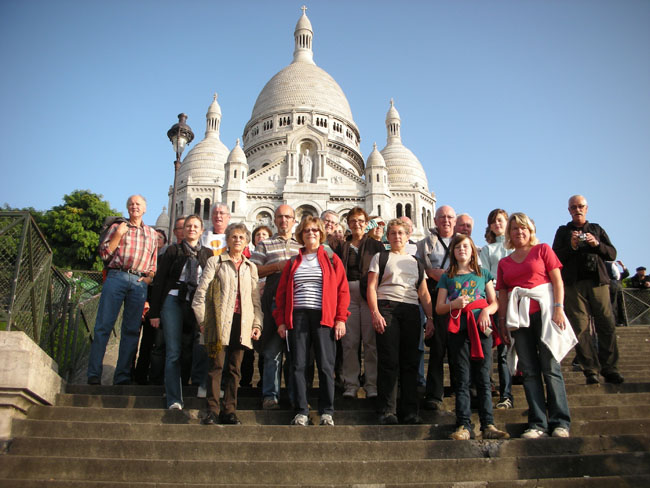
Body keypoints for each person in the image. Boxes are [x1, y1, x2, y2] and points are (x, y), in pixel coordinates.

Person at [497, 212, 575, 439]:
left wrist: (559, 307)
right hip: (519, 319)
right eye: (514, 229)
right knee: (529, 371)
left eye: (523, 228)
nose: (519, 232)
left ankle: (560, 421)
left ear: (530, 231)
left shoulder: (543, 250)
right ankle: (537, 423)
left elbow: (557, 281)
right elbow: (503, 293)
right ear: (509, 233)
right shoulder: (504, 262)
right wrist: (502, 322)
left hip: (545, 313)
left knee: (551, 367)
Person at [274, 216, 350, 426]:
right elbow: (280, 295)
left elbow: (343, 290)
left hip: (323, 316)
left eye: (315, 230)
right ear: (301, 234)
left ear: (321, 234)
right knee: (298, 365)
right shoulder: (293, 262)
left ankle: (327, 411)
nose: (311, 233)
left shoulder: (331, 259)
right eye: (307, 230)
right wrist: (281, 321)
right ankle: (301, 411)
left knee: (326, 365)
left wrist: (340, 319)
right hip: (297, 317)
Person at [435, 234, 509, 440]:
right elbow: (439, 307)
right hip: (458, 329)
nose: (462, 250)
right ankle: (464, 425)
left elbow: (494, 302)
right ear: (453, 252)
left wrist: (487, 311)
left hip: (481, 327)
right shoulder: (447, 276)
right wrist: (454, 304)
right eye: (458, 247)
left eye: (466, 246)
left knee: (484, 378)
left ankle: (488, 425)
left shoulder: (483, 274)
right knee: (462, 378)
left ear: (473, 250)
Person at [192, 223, 263, 425]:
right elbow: (200, 295)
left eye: (241, 237)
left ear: (247, 242)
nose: (237, 240)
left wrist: (257, 324)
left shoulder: (251, 267)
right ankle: (212, 410)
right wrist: (204, 321)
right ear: (228, 240)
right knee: (216, 366)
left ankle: (229, 410)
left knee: (235, 369)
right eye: (233, 236)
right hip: (219, 321)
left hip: (242, 323)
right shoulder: (216, 262)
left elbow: (255, 300)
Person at [367, 218, 433, 425]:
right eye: (393, 233)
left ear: (407, 237)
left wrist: (430, 318)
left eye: (401, 233)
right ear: (387, 236)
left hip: (412, 310)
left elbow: (423, 292)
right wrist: (375, 312)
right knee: (388, 361)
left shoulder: (416, 262)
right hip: (387, 307)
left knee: (410, 362)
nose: (397, 236)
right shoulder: (380, 257)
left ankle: (410, 411)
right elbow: (371, 286)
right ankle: (387, 410)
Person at [552, 195, 624, 385]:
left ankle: (610, 368)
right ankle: (590, 369)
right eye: (574, 207)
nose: (578, 209)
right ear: (569, 210)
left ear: (587, 208)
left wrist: (596, 244)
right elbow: (555, 257)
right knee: (580, 328)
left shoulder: (596, 229)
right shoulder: (563, 232)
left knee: (606, 325)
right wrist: (573, 245)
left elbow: (612, 253)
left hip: (598, 282)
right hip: (574, 284)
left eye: (581, 206)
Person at [87, 195, 158, 385]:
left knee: (132, 330)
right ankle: (94, 374)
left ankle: (123, 377)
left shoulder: (152, 234)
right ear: (127, 208)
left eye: (138, 204)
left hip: (138, 282)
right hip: (116, 276)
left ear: (145, 209)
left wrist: (149, 278)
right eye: (131, 204)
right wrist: (118, 235)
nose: (135, 207)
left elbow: (153, 264)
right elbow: (104, 253)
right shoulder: (117, 227)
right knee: (103, 326)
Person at [149, 215, 213, 409]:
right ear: (183, 230)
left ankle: (202, 384)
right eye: (188, 226)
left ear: (202, 230)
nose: (192, 229)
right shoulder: (172, 251)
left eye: (195, 226)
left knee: (201, 345)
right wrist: (154, 312)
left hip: (198, 302)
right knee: (174, 351)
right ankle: (174, 398)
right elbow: (159, 281)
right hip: (173, 300)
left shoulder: (208, 254)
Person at [250, 204, 302, 409]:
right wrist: (277, 267)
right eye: (280, 217)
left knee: (295, 353)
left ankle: (292, 396)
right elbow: (253, 270)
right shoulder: (265, 244)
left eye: (288, 217)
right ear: (274, 220)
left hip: (297, 302)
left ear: (294, 219)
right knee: (272, 351)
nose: (284, 221)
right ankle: (270, 396)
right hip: (272, 300)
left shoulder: (302, 245)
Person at [335, 207, 385, 399]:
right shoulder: (342, 246)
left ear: (366, 223)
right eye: (353, 221)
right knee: (349, 342)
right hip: (347, 294)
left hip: (369, 294)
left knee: (371, 342)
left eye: (361, 221)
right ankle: (351, 384)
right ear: (348, 223)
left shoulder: (375, 245)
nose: (357, 224)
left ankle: (372, 384)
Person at [416, 205, 456, 410]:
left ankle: (462, 388)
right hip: (435, 296)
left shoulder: (464, 242)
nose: (446, 221)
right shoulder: (424, 243)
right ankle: (434, 394)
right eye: (442, 217)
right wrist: (431, 272)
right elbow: (418, 266)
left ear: (455, 221)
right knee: (438, 346)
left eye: (450, 217)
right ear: (435, 219)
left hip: (459, 299)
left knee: (459, 346)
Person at [480, 208, 514, 409]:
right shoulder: (488, 250)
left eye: (500, 220)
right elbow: (486, 276)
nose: (497, 224)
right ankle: (505, 395)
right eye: (494, 222)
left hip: (519, 302)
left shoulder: (518, 247)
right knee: (501, 350)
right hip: (497, 301)